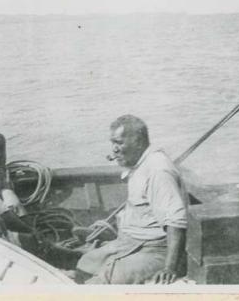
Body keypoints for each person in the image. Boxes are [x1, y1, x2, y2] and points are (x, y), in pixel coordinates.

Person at [75, 115, 187, 284]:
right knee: (85, 264)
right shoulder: (140, 163)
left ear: (139, 142)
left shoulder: (158, 170)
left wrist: (170, 267)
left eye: (119, 143)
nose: (114, 150)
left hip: (157, 250)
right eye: (113, 143)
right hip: (130, 242)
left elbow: (176, 222)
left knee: (107, 279)